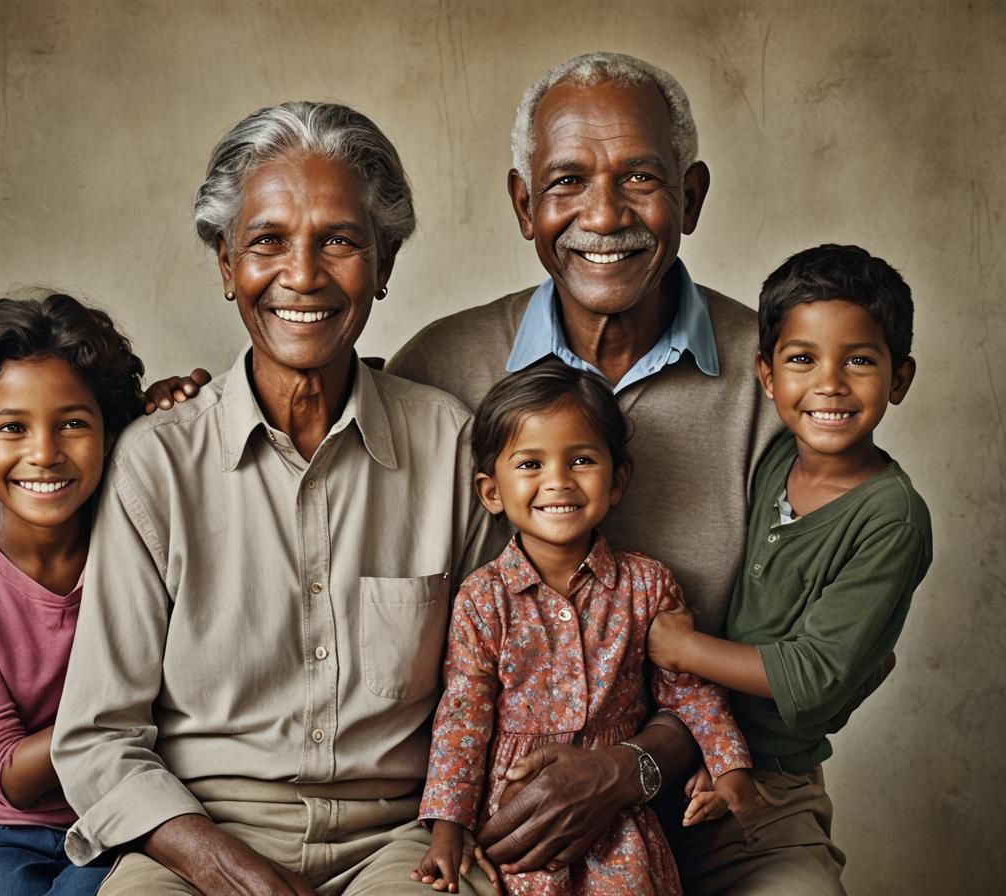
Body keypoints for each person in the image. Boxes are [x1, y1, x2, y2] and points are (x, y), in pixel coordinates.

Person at [42, 101, 498, 896]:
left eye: (341, 241)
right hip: (197, 834)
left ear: (385, 263)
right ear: (226, 265)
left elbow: (500, 677)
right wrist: (227, 867)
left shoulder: (451, 447)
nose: (303, 274)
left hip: (402, 838)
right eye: (267, 241)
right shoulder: (156, 465)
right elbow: (99, 737)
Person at [386, 52, 782, 881]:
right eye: (567, 181)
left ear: (693, 195)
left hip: (722, 790)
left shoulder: (774, 378)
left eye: (641, 177)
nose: (604, 214)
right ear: (524, 205)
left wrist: (635, 766)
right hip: (499, 807)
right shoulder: (438, 367)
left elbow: (794, 653)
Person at [646, 244, 932, 894]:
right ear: (768, 376)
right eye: (803, 359)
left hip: (772, 775)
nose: (829, 383)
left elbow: (813, 676)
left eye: (859, 360)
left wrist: (683, 647)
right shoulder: (775, 459)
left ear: (900, 378)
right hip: (686, 742)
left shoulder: (891, 518)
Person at [412, 362, 757, 896]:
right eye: (530, 463)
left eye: (581, 460)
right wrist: (446, 829)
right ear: (491, 492)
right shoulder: (483, 600)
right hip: (515, 812)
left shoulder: (646, 586)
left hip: (617, 818)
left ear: (617, 480)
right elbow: (463, 722)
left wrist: (728, 764)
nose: (558, 481)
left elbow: (687, 690)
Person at [0, 293, 148, 895]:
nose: (44, 453)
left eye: (72, 423)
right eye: (12, 428)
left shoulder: (141, 534)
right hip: (5, 829)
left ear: (111, 433)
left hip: (130, 812)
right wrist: (121, 702)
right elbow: (6, 776)